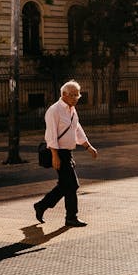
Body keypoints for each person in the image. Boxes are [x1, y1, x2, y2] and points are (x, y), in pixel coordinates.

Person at [34, 80, 98, 227]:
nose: (76, 98)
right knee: (72, 185)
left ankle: (41, 206)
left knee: (65, 185)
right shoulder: (54, 110)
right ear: (64, 94)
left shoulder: (71, 110)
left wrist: (88, 146)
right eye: (73, 95)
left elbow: (77, 129)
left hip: (67, 153)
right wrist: (55, 156)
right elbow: (50, 135)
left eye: (78, 95)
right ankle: (71, 217)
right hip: (57, 152)